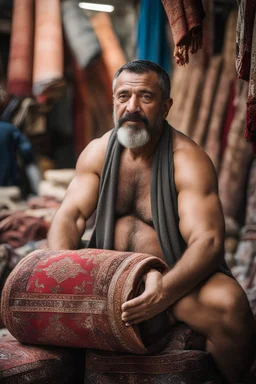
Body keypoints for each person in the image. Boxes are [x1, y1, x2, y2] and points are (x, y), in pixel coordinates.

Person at [47, 60, 256, 383]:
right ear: (113, 100)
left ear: (166, 105)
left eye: (145, 97)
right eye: (123, 96)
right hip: (107, 278)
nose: (132, 107)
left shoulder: (187, 160)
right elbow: (69, 216)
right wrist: (68, 273)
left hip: (172, 276)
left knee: (231, 307)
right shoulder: (97, 152)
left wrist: (164, 293)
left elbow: (209, 240)